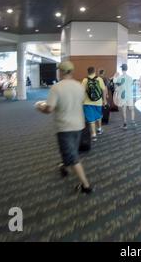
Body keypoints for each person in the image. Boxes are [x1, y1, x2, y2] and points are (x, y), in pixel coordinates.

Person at [36, 61, 92, 194]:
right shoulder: (79, 86)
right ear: (72, 71)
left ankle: (86, 186)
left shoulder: (56, 87)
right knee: (70, 151)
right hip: (79, 125)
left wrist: (39, 107)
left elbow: (49, 109)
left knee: (72, 156)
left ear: (60, 72)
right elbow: (81, 102)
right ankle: (64, 167)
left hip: (64, 127)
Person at [82, 67, 108, 142]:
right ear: (94, 72)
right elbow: (104, 90)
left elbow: (82, 92)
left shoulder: (85, 80)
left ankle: (93, 135)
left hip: (87, 102)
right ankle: (99, 129)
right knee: (98, 116)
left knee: (91, 119)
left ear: (88, 72)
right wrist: (104, 100)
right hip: (98, 102)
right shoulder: (99, 79)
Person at [114, 64, 135, 130]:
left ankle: (125, 124)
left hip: (122, 96)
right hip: (129, 95)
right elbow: (131, 85)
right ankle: (133, 122)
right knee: (131, 109)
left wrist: (115, 76)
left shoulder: (119, 78)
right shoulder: (130, 77)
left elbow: (115, 84)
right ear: (127, 69)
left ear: (121, 69)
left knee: (124, 110)